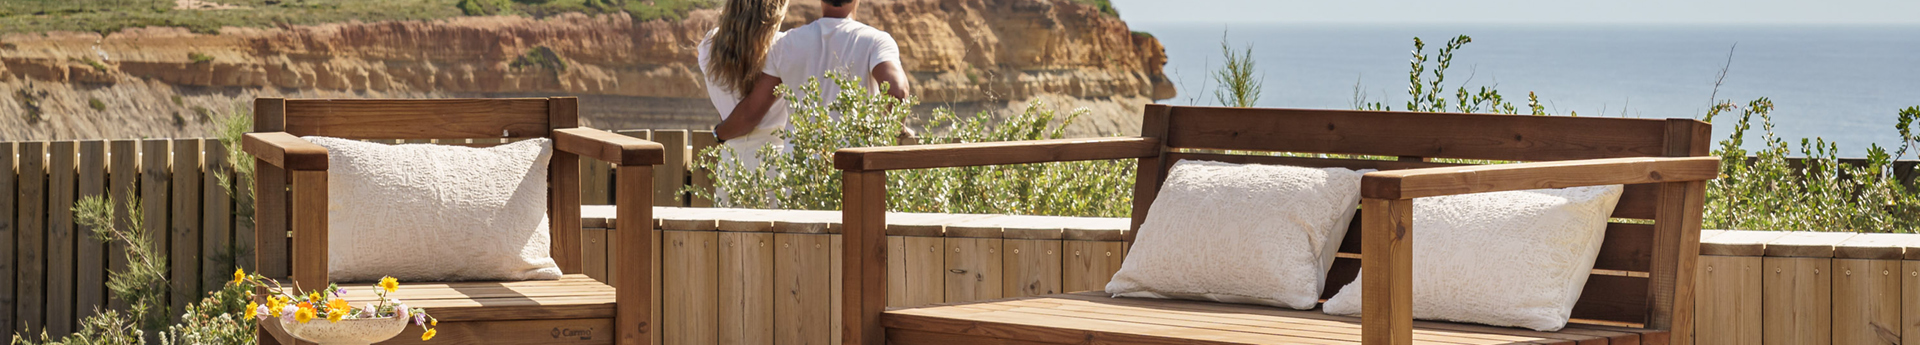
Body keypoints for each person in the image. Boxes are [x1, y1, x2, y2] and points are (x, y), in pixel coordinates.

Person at [714, 0, 913, 143]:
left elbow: (751, 112)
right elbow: (897, 91)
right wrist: (893, 132)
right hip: (854, 166)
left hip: (801, 171)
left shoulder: (786, 44)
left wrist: (719, 133)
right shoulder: (874, 41)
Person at [699, 0, 793, 169]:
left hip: (731, 162)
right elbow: (750, 115)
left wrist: (720, 133)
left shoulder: (709, 45)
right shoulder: (782, 47)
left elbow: (724, 105)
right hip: (774, 162)